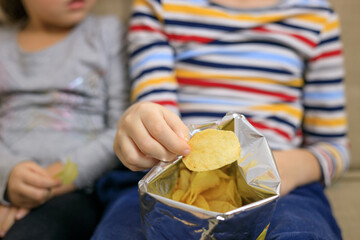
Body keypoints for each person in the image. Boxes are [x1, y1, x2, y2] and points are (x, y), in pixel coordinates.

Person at [92, 0, 350, 239]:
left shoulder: (317, 17)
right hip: (168, 180)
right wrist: (142, 126)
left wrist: (281, 169)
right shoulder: (159, 6)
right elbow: (158, 113)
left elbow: (334, 148)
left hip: (286, 187)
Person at [0, 0, 127, 239]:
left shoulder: (108, 33)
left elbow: (120, 128)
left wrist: (45, 183)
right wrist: (7, 177)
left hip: (78, 190)